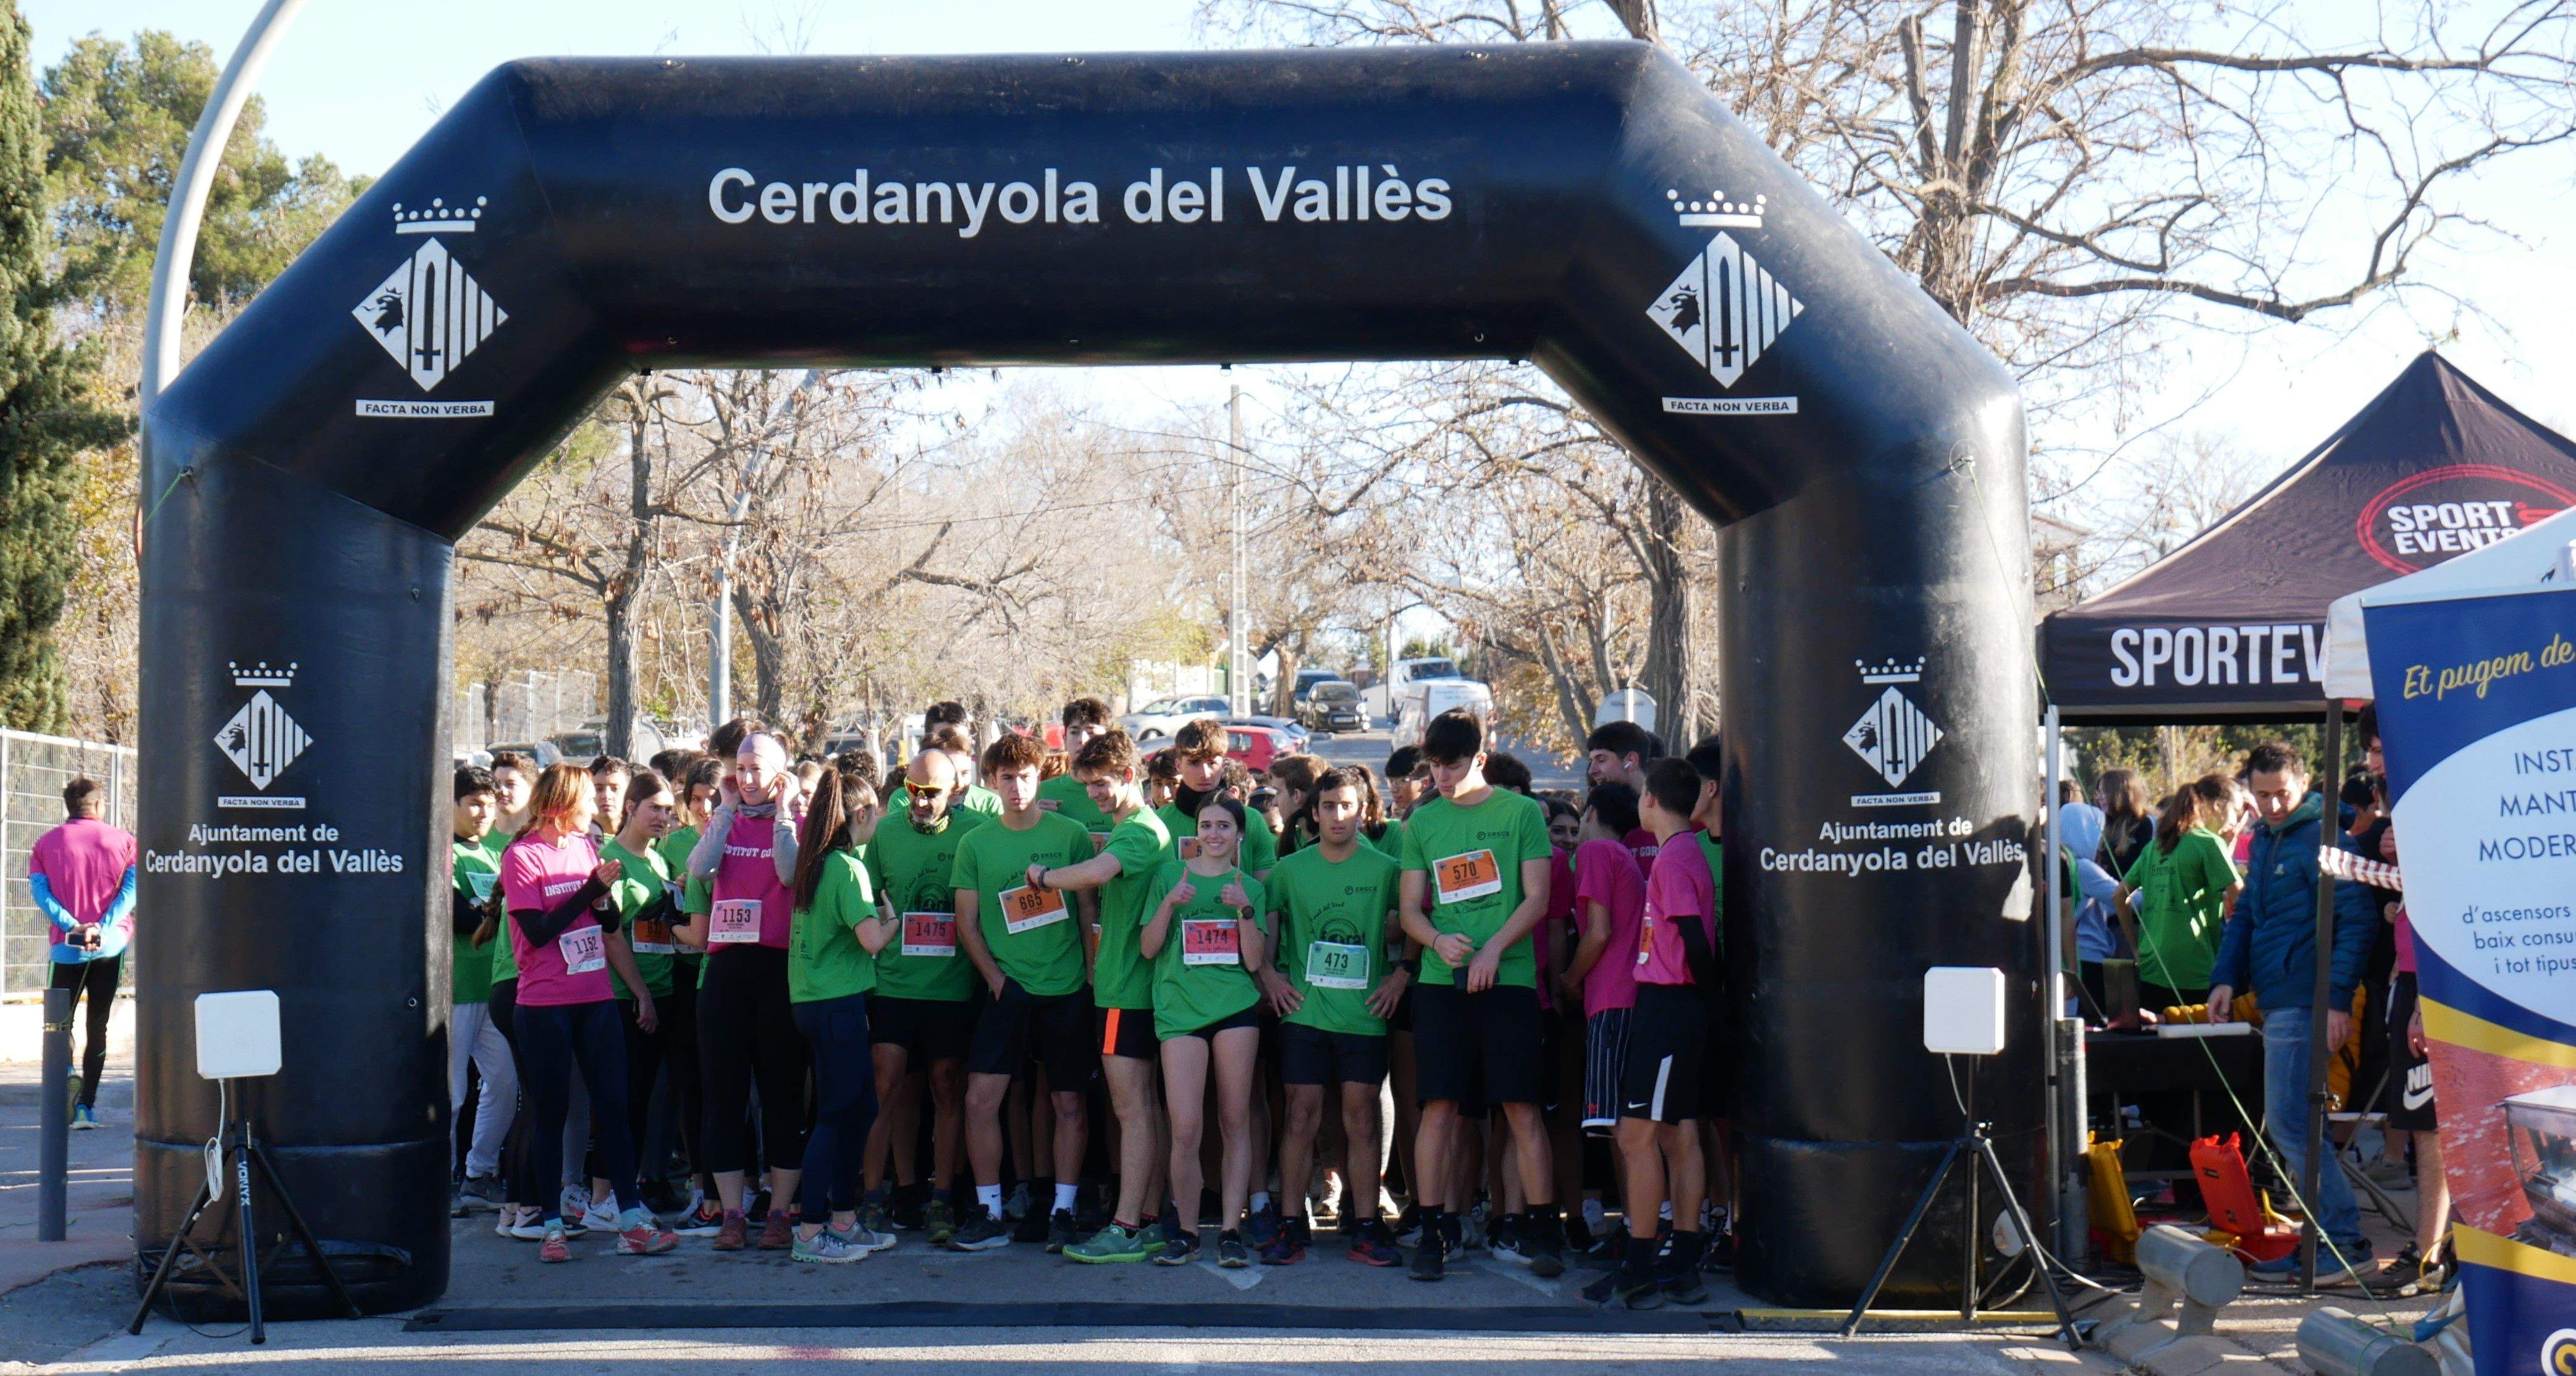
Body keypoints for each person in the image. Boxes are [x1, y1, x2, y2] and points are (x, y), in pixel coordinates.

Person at [1397, 707, 1562, 1281]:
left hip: (1509, 981)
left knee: (1520, 1106)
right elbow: (1410, 909)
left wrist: (1493, 949)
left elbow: (1537, 898)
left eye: (1454, 764)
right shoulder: (1422, 823)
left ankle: (1543, 1228)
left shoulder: (1520, 813)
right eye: (1435, 766)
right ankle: (1434, 1229)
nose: (1442, 776)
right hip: (1442, 984)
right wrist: (1437, 940)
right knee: (1439, 1106)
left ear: (1480, 759)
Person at [2207, 740, 2380, 1279]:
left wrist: (2336, 999)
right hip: (2282, 997)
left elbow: (2358, 920)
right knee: (2296, 1126)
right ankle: (2330, 1239)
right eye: (2261, 796)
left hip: (2305, 1000)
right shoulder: (2265, 838)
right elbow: (2247, 917)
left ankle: (2342, 1242)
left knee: (2292, 1125)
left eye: (2281, 793)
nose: (2272, 805)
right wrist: (2225, 977)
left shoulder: (2321, 839)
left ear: (2303, 784)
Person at [497, 763, 678, 1262]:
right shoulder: (522, 855)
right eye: (587, 800)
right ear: (562, 804)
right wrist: (588, 890)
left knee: (614, 1108)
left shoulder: (584, 846)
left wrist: (602, 899)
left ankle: (631, 1219)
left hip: (595, 995)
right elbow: (537, 931)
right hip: (544, 1003)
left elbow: (608, 921)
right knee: (551, 1113)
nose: (596, 807)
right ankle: (552, 1225)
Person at [1030, 730, 1178, 1264]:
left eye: (1101, 782)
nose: (1092, 792)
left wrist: (1044, 875)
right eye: (1087, 783)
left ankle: (1127, 1226)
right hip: (1135, 987)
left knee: (1131, 1110)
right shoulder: (1138, 827)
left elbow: (1097, 873)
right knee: (1146, 1108)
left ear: (1129, 776)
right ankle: (1150, 1220)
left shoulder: (1137, 830)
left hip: (1125, 990)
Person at [949, 732, 1096, 1251]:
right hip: (1006, 989)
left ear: (1040, 777)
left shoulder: (1072, 834)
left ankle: (1063, 1208)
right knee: (979, 1100)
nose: (1017, 787)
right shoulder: (975, 843)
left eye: (1026, 776)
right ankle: (989, 1211)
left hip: (1066, 987)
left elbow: (1087, 912)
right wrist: (996, 980)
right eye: (1007, 777)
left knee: (1069, 1100)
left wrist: (1091, 978)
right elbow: (966, 922)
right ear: (991, 780)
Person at [1258, 766, 1407, 1266]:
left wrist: (1400, 976)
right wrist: (1270, 978)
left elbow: (1415, 919)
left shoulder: (1386, 868)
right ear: (1313, 813)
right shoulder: (1289, 869)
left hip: (1364, 1015)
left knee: (1361, 1117)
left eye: (1347, 806)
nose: (1338, 815)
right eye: (1328, 806)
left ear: (1363, 811)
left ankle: (1366, 1224)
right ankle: (1290, 1223)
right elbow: (1264, 929)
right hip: (1305, 1014)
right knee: (1301, 1114)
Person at [1591, 758, 1723, 1308]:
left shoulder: (1674, 857)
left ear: (1649, 800)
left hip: (1671, 1007)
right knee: (1676, 1133)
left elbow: (1695, 939)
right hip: (1673, 1006)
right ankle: (1682, 1261)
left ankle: (1641, 1264)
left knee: (1635, 1135)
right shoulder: (1683, 852)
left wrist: (1707, 1003)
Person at [679, 730, 810, 1252]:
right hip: (726, 974)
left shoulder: (797, 824)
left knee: (782, 1098)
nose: (749, 778)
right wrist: (726, 809)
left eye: (759, 769)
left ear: (780, 774)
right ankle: (732, 1212)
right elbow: (699, 870)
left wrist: (784, 812)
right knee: (724, 1098)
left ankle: (779, 1211)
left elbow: (789, 872)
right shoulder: (724, 820)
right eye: (742, 768)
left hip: (778, 972)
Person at [860, 748, 988, 1246]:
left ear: (956, 790)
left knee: (946, 1086)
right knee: (886, 1084)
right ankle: (878, 1195)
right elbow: (866, 900)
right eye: (912, 790)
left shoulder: (975, 832)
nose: (919, 801)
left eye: (931, 793)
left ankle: (943, 1196)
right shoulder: (885, 832)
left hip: (952, 987)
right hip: (893, 983)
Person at [1139, 795, 1269, 1267]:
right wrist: (1169, 903)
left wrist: (1244, 910)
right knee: (1186, 1126)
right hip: (1180, 1012)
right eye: (1207, 825)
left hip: (1234, 1007)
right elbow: (1148, 948)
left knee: (1234, 1121)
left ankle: (1231, 1230)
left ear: (1239, 834)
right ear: (1196, 831)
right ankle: (1188, 1232)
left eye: (1224, 826)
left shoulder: (1249, 887)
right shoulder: (1169, 876)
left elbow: (1254, 961)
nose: (1214, 833)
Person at [785, 762, 902, 1262]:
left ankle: (843, 1218)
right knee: (835, 1116)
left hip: (816, 1001)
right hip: (836, 1004)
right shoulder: (847, 866)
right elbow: (872, 939)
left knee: (861, 1108)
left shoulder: (815, 862)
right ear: (862, 813)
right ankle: (811, 1231)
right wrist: (893, 920)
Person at [592, 769, 682, 1228]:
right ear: (630, 807)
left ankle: (626, 1193)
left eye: (668, 810)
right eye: (654, 808)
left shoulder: (660, 861)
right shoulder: (612, 859)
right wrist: (641, 994)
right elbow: (610, 935)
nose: (662, 817)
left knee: (644, 1098)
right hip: (624, 995)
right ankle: (603, 1196)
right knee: (622, 1099)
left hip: (663, 987)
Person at [30, 778, 137, 1129]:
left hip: (67, 948)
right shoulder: (125, 842)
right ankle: (85, 1109)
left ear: (69, 807)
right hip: (109, 946)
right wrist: (101, 927)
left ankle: (67, 1072)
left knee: (59, 1025)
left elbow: (41, 894)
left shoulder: (45, 844)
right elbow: (131, 892)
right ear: (99, 805)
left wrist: (73, 926)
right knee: (98, 1025)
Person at [448, 767, 516, 1207]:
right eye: (474, 803)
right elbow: (458, 916)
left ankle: (478, 1172)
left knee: (506, 1083)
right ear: (452, 804)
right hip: (455, 990)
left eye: (490, 805)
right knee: (452, 1094)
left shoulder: (500, 849)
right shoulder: (443, 851)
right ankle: (438, 1182)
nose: (483, 813)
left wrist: (485, 911)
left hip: (494, 986)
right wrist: (493, 912)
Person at [2115, 774, 2242, 1010]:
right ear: (2218, 807)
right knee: (2194, 1032)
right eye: (2236, 810)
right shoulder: (2209, 844)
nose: (2236, 819)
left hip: (2153, 963)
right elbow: (2241, 899)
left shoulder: (2155, 847)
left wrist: (2134, 947)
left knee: (2157, 1031)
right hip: (2195, 967)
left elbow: (2119, 895)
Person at [1160, 718, 1280, 880]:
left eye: (1212, 763)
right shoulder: (1159, 823)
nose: (1205, 773)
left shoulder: (1251, 820)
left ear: (1223, 764)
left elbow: (1266, 887)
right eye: (1194, 763)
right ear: (1178, 766)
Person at [1584, 720, 1661, 868]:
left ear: (1631, 761)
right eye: (1592, 761)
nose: (1592, 771)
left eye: (1601, 760)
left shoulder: (1669, 814)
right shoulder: (1595, 817)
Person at [1037, 698, 1116, 838]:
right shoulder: (1044, 791)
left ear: (1107, 740)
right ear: (1065, 739)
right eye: (1074, 732)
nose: (1082, 740)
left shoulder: (1123, 787)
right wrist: (1033, 820)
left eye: (1091, 733)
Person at [589, 756, 631, 837]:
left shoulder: (644, 838)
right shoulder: (576, 840)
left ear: (629, 792)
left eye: (615, 789)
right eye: (599, 789)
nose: (606, 796)